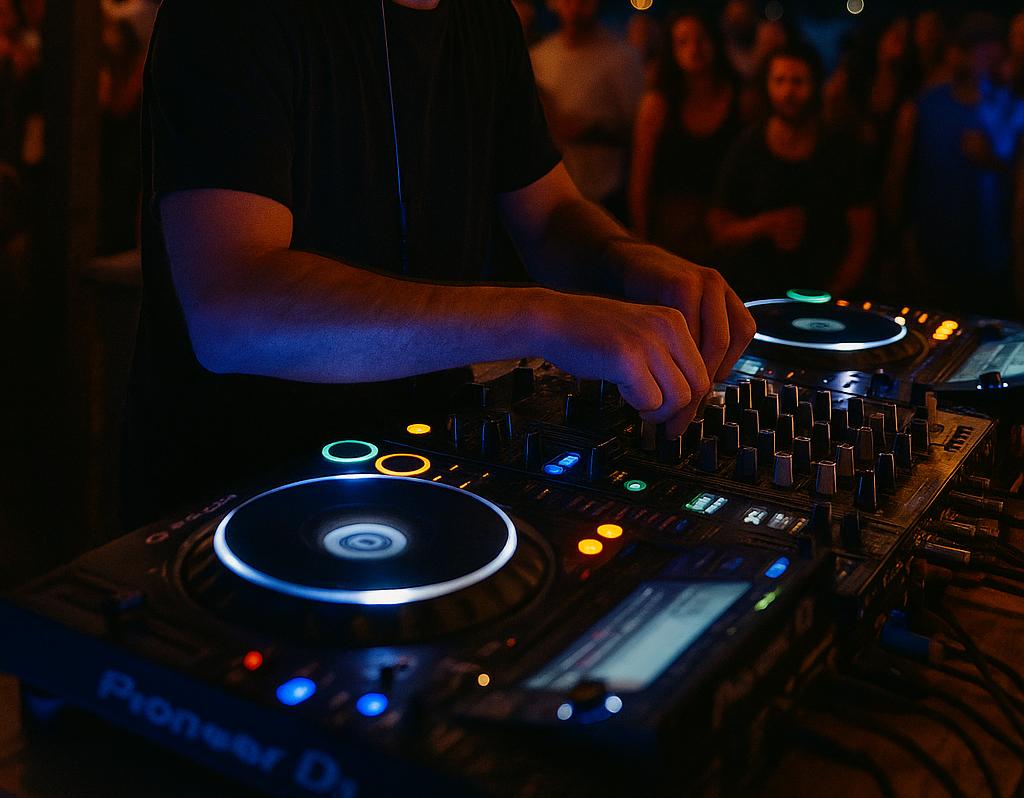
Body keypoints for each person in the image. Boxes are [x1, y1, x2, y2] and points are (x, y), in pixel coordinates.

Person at [121, 0, 755, 530]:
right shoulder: (231, 13)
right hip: (233, 502)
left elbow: (550, 214)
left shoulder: (484, 20)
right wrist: (540, 317)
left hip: (418, 471)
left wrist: (632, 266)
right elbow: (232, 309)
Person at [707, 39, 875, 301]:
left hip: (825, 295)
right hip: (756, 297)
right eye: (779, 81)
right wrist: (762, 225)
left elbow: (863, 232)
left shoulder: (839, 149)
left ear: (815, 85)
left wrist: (836, 292)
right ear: (767, 85)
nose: (787, 92)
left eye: (797, 82)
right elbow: (718, 228)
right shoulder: (749, 146)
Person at [629, 9, 743, 266]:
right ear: (671, 48)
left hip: (728, 231)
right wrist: (643, 248)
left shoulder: (740, 100)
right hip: (672, 233)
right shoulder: (657, 106)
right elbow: (640, 185)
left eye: (701, 39)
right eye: (683, 41)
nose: (694, 48)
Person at [528, 0, 644, 224]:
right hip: (554, 198)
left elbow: (640, 131)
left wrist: (587, 131)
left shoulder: (622, 58)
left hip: (608, 198)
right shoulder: (538, 58)